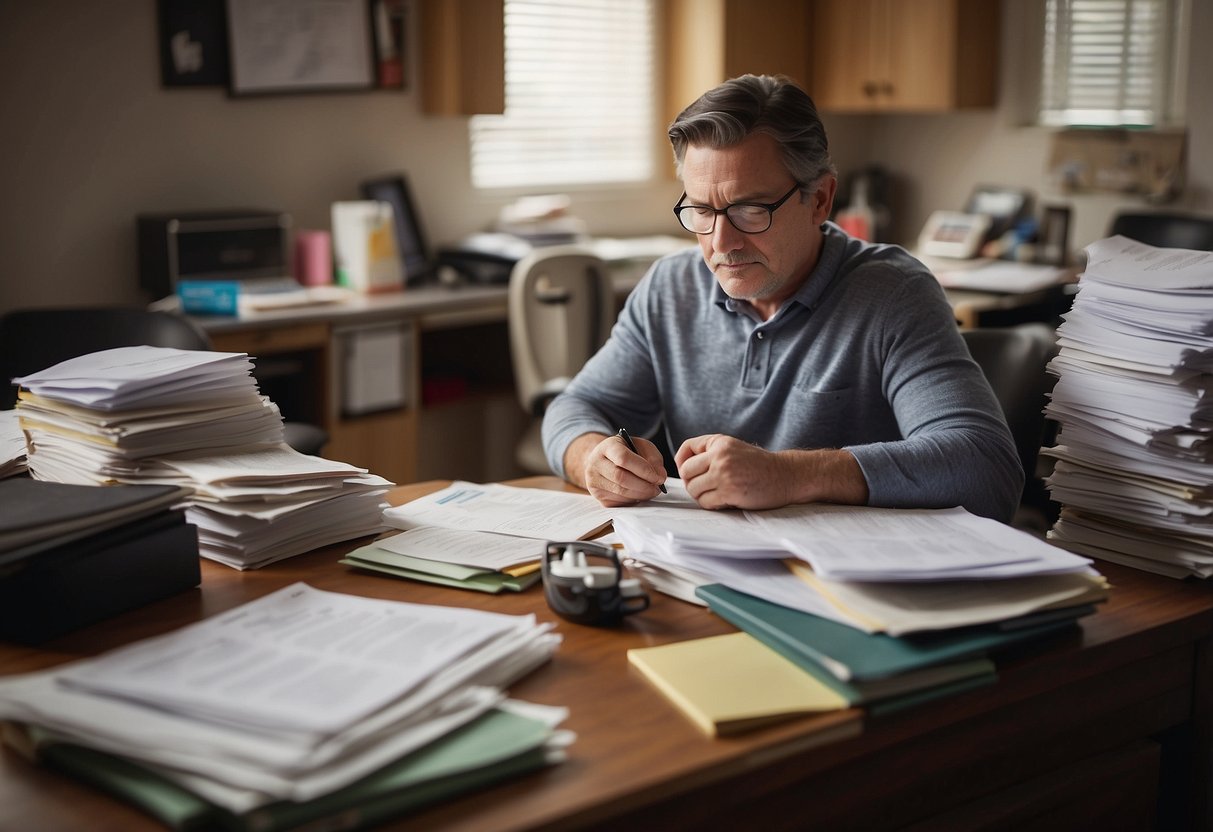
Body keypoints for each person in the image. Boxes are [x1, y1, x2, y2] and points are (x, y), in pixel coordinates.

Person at [541, 74, 1023, 522]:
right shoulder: (671, 287)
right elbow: (573, 408)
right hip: (703, 570)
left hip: (851, 587)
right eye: (702, 210)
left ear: (819, 199)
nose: (722, 242)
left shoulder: (892, 294)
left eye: (750, 210)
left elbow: (987, 468)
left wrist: (791, 475)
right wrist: (593, 458)